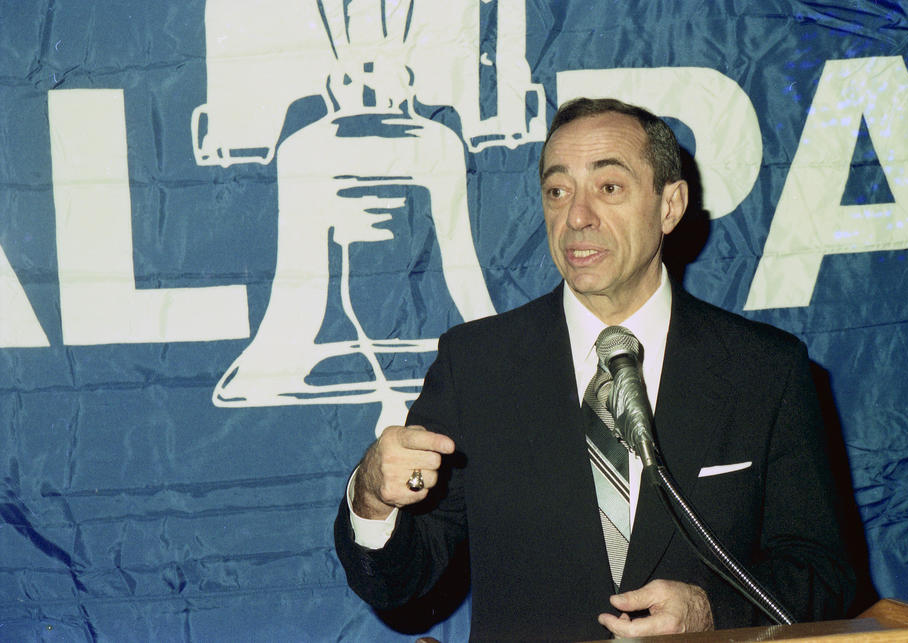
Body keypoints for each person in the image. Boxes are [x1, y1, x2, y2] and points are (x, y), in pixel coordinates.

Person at [335, 97, 856, 640]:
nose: (577, 217)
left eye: (609, 188)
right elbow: (398, 584)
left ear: (670, 206)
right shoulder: (476, 365)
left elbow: (825, 575)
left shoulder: (765, 370)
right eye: (558, 192)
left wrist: (712, 613)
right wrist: (371, 497)